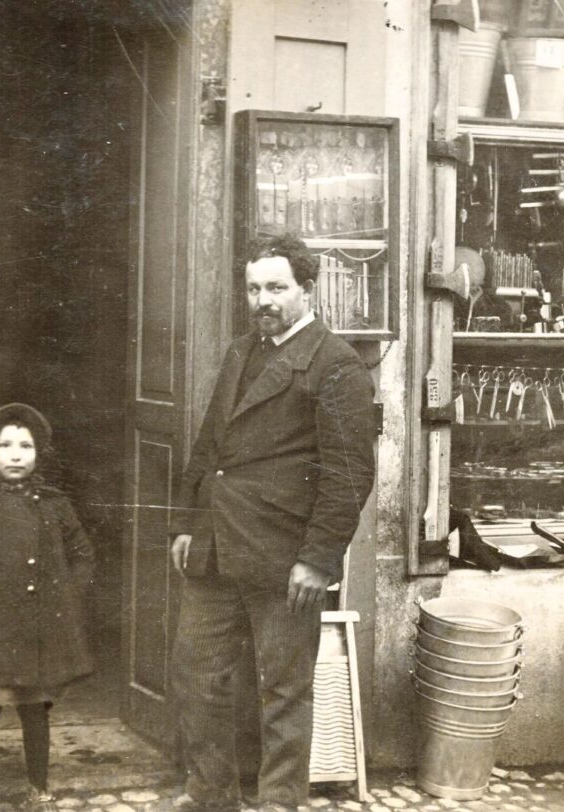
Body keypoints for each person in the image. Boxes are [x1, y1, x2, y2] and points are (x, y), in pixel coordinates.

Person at [169, 234, 376, 810]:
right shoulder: (242, 352)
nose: (264, 299)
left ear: (307, 289)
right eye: (255, 288)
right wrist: (187, 523)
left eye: (277, 287)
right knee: (198, 675)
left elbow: (348, 477)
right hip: (215, 547)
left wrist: (317, 560)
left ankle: (281, 803)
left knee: (283, 692)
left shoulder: (337, 366)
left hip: (284, 559)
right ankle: (211, 793)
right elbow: (210, 443)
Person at [0, 403, 95, 812]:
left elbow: (83, 554)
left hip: (38, 627)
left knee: (34, 711)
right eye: (5, 445)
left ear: (40, 453)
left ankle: (38, 788)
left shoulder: (55, 505)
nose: (15, 454)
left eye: (26, 446)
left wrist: (66, 598)